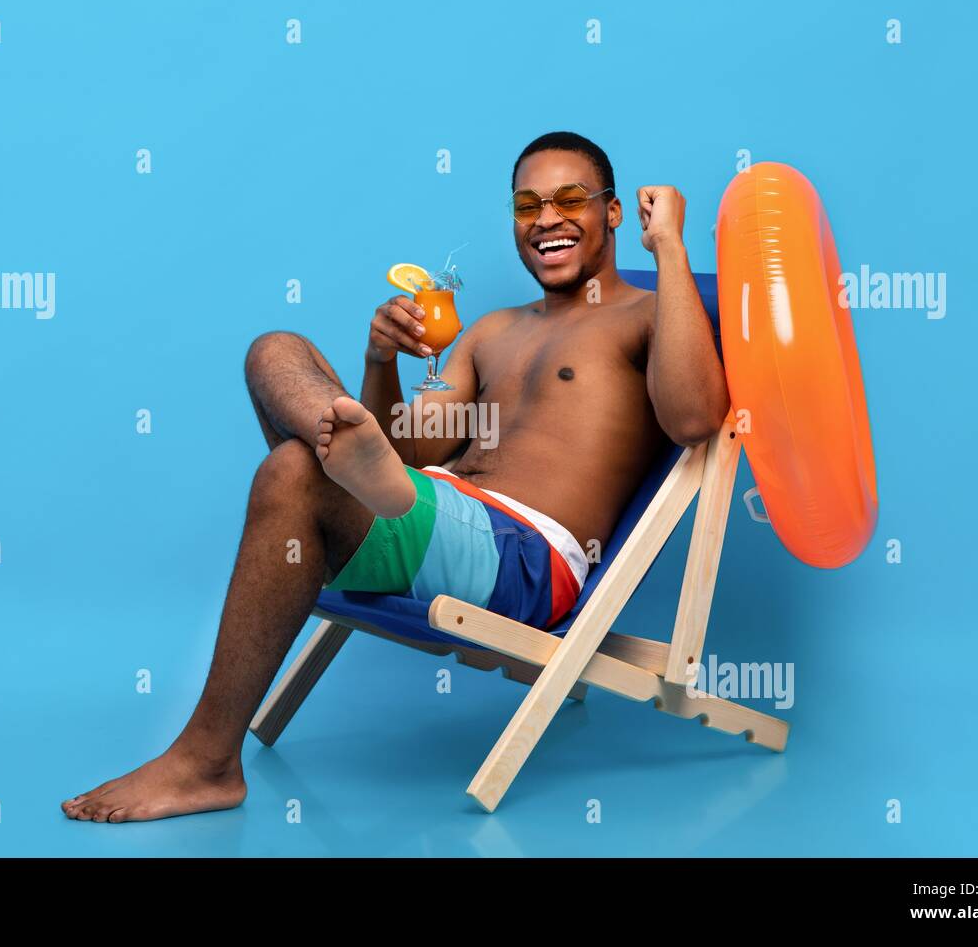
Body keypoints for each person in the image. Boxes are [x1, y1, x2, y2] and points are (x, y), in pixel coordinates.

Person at [62, 131, 727, 823]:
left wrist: (672, 248)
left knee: (294, 471)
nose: (546, 219)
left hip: (526, 556)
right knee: (275, 351)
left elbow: (693, 417)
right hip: (435, 504)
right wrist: (381, 362)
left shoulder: (647, 316)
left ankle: (206, 764)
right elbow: (413, 446)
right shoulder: (493, 329)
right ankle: (354, 461)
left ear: (614, 214)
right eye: (527, 205)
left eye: (569, 200)